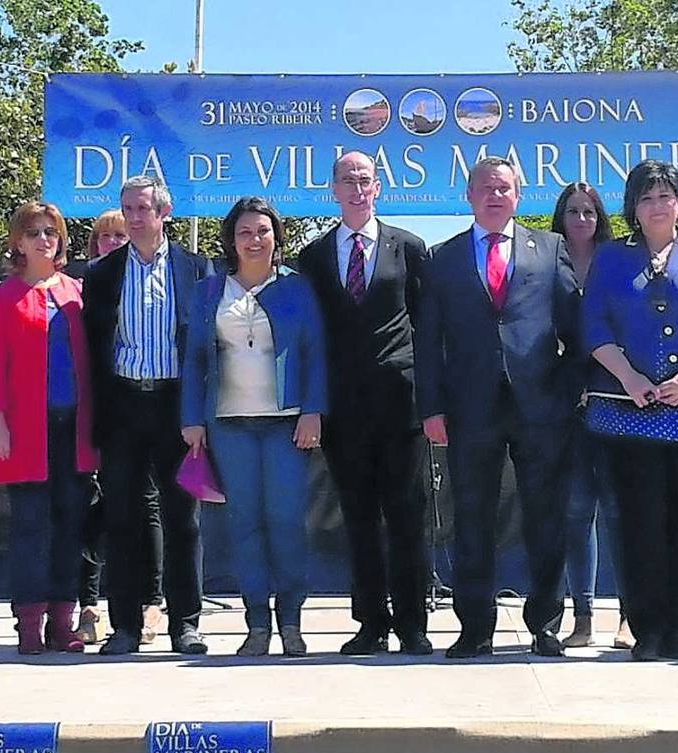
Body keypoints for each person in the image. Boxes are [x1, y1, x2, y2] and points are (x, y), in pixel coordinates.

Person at [416, 156, 581, 659]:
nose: (494, 195)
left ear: (518, 195)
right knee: (471, 519)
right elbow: (427, 341)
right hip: (470, 408)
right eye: (485, 188)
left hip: (540, 407)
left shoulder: (550, 249)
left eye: (504, 188)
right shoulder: (442, 257)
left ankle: (545, 625)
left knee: (545, 518)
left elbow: (576, 332)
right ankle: (475, 628)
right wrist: (431, 408)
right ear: (468, 196)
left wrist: (566, 392)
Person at [580, 161, 678, 662]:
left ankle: (676, 627)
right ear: (633, 207)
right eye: (646, 198)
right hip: (625, 409)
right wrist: (629, 377)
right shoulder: (611, 258)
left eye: (665, 196)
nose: (656, 206)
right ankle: (644, 627)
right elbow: (593, 324)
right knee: (637, 520)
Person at [294, 152, 433, 656]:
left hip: (402, 405)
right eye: (347, 181)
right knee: (359, 516)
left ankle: (413, 624)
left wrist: (431, 400)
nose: (356, 188)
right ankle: (371, 621)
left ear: (379, 188)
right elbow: (308, 338)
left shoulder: (409, 248)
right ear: (332, 190)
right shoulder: (313, 258)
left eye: (365, 180)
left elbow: (427, 326)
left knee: (406, 515)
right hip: (342, 409)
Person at [183, 197, 328, 657]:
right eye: (245, 232)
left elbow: (315, 352)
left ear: (276, 238)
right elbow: (194, 361)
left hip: (286, 423)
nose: (254, 239)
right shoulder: (210, 292)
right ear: (231, 239)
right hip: (228, 423)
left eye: (262, 231)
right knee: (244, 524)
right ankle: (256, 624)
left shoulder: (297, 288)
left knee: (285, 522)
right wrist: (191, 418)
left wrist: (312, 410)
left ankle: (291, 622)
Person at [82, 175, 214, 656]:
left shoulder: (197, 269)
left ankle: (186, 623)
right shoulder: (101, 273)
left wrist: (200, 411)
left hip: (177, 407)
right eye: (128, 209)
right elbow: (95, 349)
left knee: (183, 519)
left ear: (164, 212)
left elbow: (205, 347)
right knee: (122, 517)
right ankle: (124, 627)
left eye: (143, 209)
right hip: (122, 405)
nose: (135, 218)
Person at [0, 202, 96, 655]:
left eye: (51, 231)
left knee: (72, 524)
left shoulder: (77, 292)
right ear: (18, 242)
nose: (44, 239)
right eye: (34, 232)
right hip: (25, 429)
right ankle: (29, 623)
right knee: (30, 528)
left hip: (75, 426)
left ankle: (63, 623)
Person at [548, 180, 617, 649]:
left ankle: (631, 615)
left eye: (590, 211)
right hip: (565, 398)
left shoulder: (620, 261)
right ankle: (584, 615)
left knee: (622, 509)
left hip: (620, 393)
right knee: (576, 511)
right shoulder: (545, 258)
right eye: (573, 211)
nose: (581, 219)